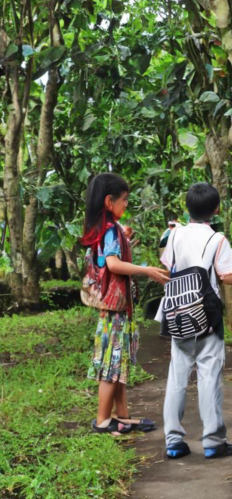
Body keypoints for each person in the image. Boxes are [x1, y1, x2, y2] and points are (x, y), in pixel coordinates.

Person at [160, 183, 232, 459]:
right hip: (206, 313)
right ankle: (214, 442)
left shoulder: (174, 235)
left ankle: (173, 441)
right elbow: (226, 276)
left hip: (177, 312)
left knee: (177, 377)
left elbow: (168, 264)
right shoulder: (218, 240)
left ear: (187, 207)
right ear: (216, 210)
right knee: (209, 376)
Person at [82, 173, 169, 435]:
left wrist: (125, 239)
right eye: (125, 200)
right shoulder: (110, 230)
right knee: (111, 365)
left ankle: (122, 416)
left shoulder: (106, 229)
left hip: (111, 308)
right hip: (115, 309)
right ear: (109, 201)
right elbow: (113, 264)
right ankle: (102, 421)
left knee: (117, 364)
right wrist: (147, 270)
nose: (126, 204)